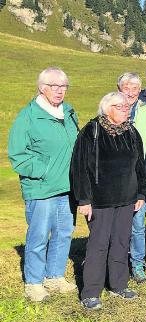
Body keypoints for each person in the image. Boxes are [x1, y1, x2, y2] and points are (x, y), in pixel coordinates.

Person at [71, 92, 146, 310]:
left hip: (126, 199)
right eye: (120, 107)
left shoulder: (131, 132)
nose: (125, 109)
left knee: (121, 242)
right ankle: (91, 292)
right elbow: (79, 168)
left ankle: (118, 284)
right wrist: (83, 199)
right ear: (107, 108)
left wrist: (141, 193)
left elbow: (139, 165)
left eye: (127, 107)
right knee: (98, 244)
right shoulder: (91, 131)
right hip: (99, 201)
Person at [8, 67, 79, 302]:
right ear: (42, 88)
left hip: (67, 188)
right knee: (38, 236)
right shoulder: (27, 116)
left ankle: (55, 276)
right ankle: (34, 282)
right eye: (54, 86)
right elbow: (18, 155)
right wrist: (45, 171)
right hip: (41, 189)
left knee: (63, 233)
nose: (60, 91)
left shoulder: (68, 112)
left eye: (64, 86)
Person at [117, 72, 146, 284]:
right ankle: (116, 261)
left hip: (140, 177)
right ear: (119, 89)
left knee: (137, 223)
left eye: (135, 88)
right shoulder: (110, 109)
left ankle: (137, 263)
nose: (131, 92)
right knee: (115, 223)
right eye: (126, 87)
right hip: (115, 178)